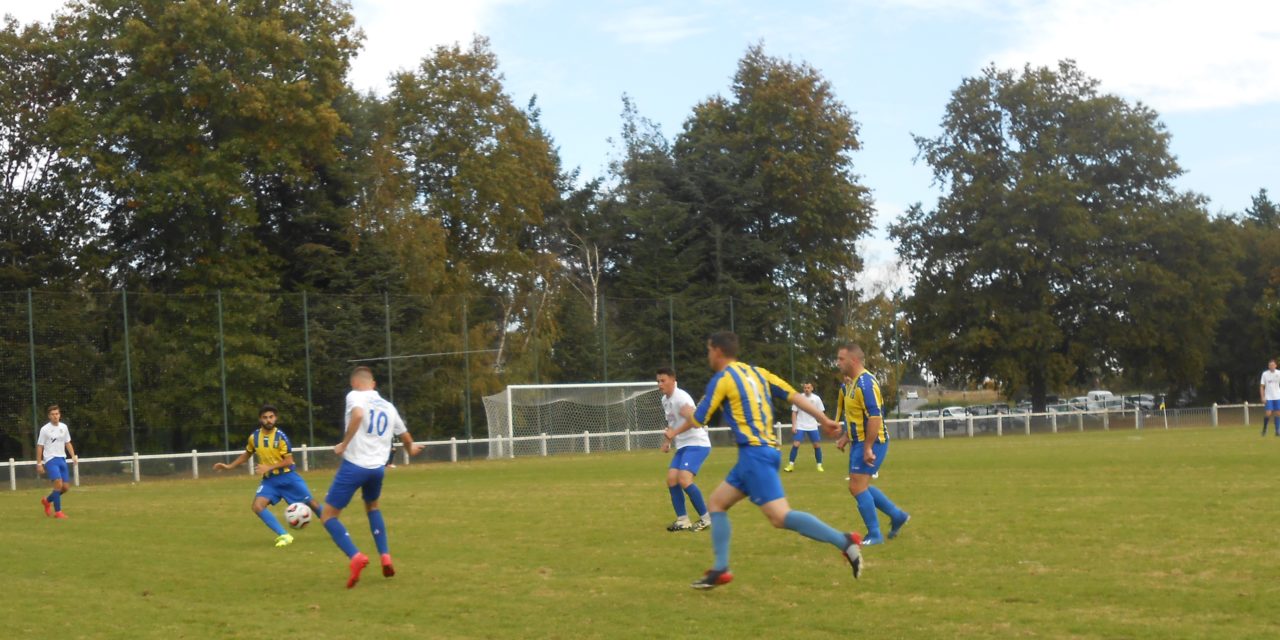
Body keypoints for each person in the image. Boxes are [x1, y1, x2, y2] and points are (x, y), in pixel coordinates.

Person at [675, 331, 861, 589]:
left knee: (780, 517)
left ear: (717, 351)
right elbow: (793, 396)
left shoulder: (722, 379)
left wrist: (687, 414)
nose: (708, 355)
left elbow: (700, 418)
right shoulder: (758, 373)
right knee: (716, 503)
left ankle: (845, 541)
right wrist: (823, 418)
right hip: (763, 453)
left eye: (709, 350)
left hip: (755, 455)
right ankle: (720, 568)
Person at [322, 366, 424, 589]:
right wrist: (411, 450)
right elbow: (406, 436)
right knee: (373, 508)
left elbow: (358, 414)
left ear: (355, 383)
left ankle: (355, 556)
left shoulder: (355, 396)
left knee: (328, 515)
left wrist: (344, 444)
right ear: (374, 384)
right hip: (377, 469)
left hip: (354, 466)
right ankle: (385, 556)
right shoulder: (388, 406)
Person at [214, 404, 324, 547]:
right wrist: (229, 466)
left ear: (275, 418)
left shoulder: (281, 437)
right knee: (257, 506)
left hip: (288, 478)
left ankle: (334, 527)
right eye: (265, 417)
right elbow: (247, 454)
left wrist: (268, 467)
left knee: (313, 504)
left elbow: (288, 460)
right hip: (270, 481)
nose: (268, 420)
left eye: (271, 417)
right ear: (260, 419)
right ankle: (284, 535)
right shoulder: (254, 437)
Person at [834, 343, 909, 546]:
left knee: (857, 487)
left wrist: (868, 447)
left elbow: (875, 417)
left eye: (841, 359)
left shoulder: (866, 383)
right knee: (860, 486)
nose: (838, 363)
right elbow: (858, 417)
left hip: (872, 442)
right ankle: (897, 515)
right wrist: (846, 437)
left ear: (854, 360)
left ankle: (875, 535)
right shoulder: (852, 384)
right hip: (859, 442)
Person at [657, 367, 711, 532]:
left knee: (684, 479)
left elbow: (695, 421)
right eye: (658, 381)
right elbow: (673, 424)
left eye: (663, 380)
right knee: (671, 479)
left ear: (673, 380)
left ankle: (706, 518)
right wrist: (668, 440)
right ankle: (683, 520)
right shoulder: (665, 400)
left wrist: (674, 433)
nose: (660, 384)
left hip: (697, 443)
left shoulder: (682, 397)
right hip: (683, 445)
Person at [36, 405, 77, 519]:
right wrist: (39, 463)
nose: (55, 416)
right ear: (49, 416)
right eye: (53, 414)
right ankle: (58, 512)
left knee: (65, 488)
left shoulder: (64, 427)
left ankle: (47, 501)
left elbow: (67, 442)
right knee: (58, 483)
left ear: (60, 415)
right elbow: (40, 446)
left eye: (57, 414)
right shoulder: (45, 429)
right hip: (50, 459)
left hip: (62, 459)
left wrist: (73, 456)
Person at [784, 383, 826, 472]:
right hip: (800, 425)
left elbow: (821, 412)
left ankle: (819, 465)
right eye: (805, 388)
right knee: (796, 444)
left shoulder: (816, 398)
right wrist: (794, 425)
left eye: (808, 387)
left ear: (812, 388)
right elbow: (794, 412)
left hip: (812, 425)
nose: (806, 389)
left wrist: (824, 423)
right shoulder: (799, 398)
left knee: (816, 445)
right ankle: (791, 465)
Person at [1261, 359, 1280, 436]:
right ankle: (1265, 428)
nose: (1271, 366)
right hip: (1268, 397)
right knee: (1268, 413)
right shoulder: (1265, 374)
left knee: (1278, 413)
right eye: (1270, 365)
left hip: (1277, 396)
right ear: (1268, 366)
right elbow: (1262, 386)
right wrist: (1263, 397)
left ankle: (1277, 431)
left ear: (1275, 365)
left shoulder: (1279, 373)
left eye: (1273, 365)